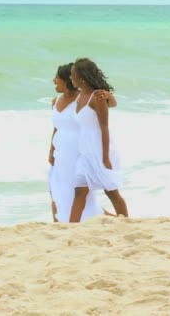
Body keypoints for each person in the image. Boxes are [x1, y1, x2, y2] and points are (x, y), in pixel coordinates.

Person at [48, 62, 116, 222]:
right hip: (60, 152)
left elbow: (109, 105)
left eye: (56, 78)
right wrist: (51, 150)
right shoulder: (55, 101)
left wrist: (108, 95)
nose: (53, 80)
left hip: (78, 151)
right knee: (56, 189)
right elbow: (56, 128)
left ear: (66, 80)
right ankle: (58, 223)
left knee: (78, 191)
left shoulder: (83, 98)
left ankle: (100, 218)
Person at [69, 58, 129, 222]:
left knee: (111, 192)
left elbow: (104, 127)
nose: (71, 77)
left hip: (100, 151)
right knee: (79, 191)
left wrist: (105, 158)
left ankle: (126, 223)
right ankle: (71, 227)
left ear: (82, 77)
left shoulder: (98, 97)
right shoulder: (80, 96)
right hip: (85, 152)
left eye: (73, 74)